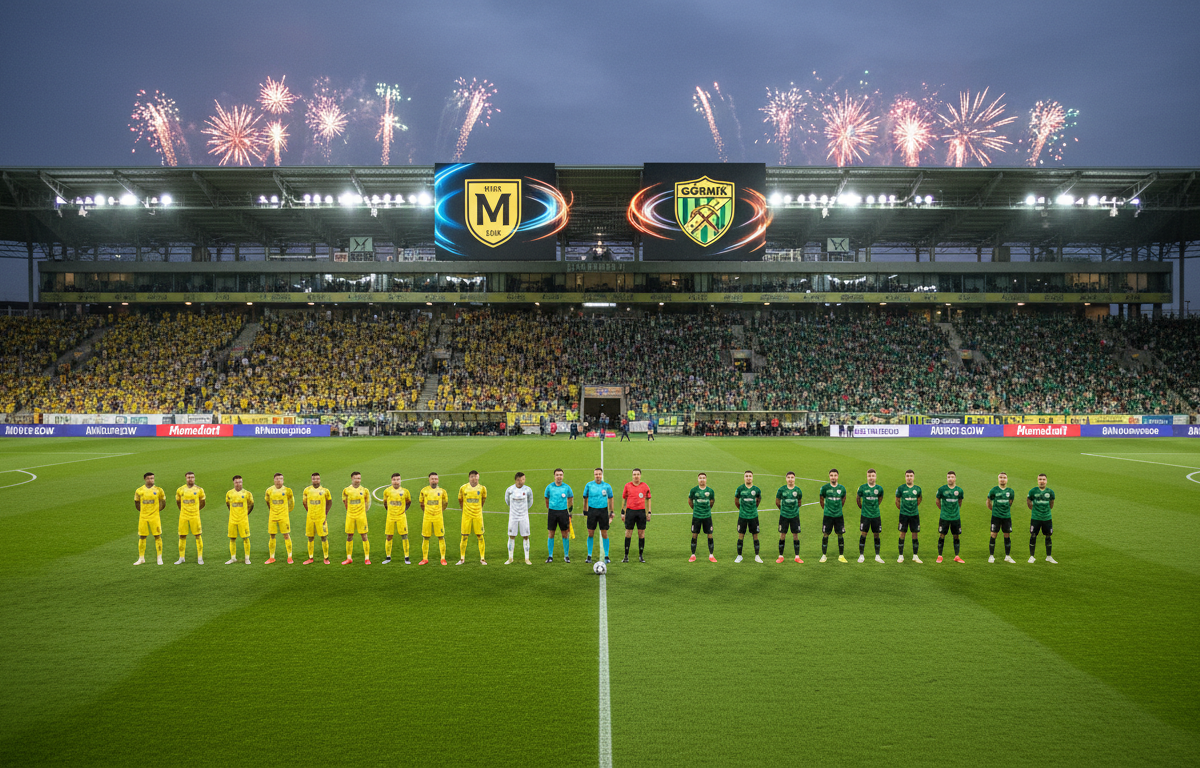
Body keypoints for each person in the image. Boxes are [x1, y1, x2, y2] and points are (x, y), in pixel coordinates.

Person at [582, 467, 614, 564]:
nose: (598, 476)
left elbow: (611, 499)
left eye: (599, 474)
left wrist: (611, 512)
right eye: (596, 474)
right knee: (590, 533)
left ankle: (607, 555)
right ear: (594, 475)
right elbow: (585, 498)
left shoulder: (607, 486)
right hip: (592, 511)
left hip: (603, 511)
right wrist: (585, 510)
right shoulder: (589, 485)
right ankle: (589, 555)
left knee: (604, 533)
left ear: (602, 475)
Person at [134, 471, 166, 565]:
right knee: (142, 536)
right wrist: (143, 511)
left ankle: (159, 558)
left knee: (157, 536)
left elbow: (163, 502)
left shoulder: (159, 490)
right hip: (143, 517)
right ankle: (141, 558)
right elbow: (136, 503)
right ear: (145, 479)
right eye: (148, 478)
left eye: (152, 478)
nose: (150, 480)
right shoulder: (139, 490)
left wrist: (156, 511)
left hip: (154, 517)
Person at [174, 471, 206, 565]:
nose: (190, 479)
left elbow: (203, 502)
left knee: (198, 535)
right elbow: (178, 502)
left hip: (195, 516)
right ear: (186, 478)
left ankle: (200, 558)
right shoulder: (180, 490)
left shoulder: (199, 490)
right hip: (183, 516)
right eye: (188, 477)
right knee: (182, 535)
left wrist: (196, 510)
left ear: (194, 478)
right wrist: (183, 510)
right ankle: (181, 557)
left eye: (192, 477)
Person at [621, 468, 651, 563]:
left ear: (640, 475)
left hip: (641, 513)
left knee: (641, 534)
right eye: (634, 474)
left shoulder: (645, 486)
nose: (636, 476)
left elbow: (648, 499)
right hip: (630, 512)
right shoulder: (627, 486)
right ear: (632, 476)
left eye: (638, 474)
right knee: (628, 533)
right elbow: (624, 499)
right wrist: (623, 512)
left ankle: (641, 556)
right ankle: (626, 556)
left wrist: (649, 512)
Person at [418, 472, 449, 565]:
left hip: (438, 517)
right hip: (427, 517)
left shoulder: (442, 491)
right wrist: (427, 512)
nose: (434, 480)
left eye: (435, 478)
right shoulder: (424, 491)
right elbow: (421, 503)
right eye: (432, 479)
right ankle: (425, 558)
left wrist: (439, 511)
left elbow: (445, 503)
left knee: (441, 536)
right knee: (426, 537)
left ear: (438, 480)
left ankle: (443, 558)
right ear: (429, 480)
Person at [457, 470, 487, 566]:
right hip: (466, 516)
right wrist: (464, 510)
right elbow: (460, 500)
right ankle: (462, 559)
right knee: (464, 536)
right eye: (472, 476)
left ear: (478, 477)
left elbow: (483, 500)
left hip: (478, 516)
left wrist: (478, 509)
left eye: (475, 476)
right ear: (469, 478)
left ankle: (482, 559)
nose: (474, 478)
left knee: (480, 536)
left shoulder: (482, 488)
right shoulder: (463, 488)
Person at [935, 471, 966, 564]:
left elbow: (960, 502)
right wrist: (943, 510)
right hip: (944, 517)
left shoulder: (959, 490)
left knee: (956, 536)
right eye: (948, 477)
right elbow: (937, 501)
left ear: (955, 478)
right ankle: (940, 556)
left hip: (955, 517)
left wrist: (955, 510)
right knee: (942, 535)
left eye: (952, 477)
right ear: (947, 478)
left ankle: (957, 556)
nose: (950, 479)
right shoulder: (941, 489)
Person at [264, 473, 295, 565]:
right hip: (273, 516)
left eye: (281, 479)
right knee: (272, 535)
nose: (279, 480)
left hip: (283, 517)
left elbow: (291, 503)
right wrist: (272, 511)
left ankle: (289, 557)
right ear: (274, 480)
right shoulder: (269, 490)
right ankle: (271, 557)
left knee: (286, 535)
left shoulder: (287, 490)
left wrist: (287, 512)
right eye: (277, 479)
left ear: (283, 480)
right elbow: (267, 501)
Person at [544, 468, 574, 563]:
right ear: (554, 476)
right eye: (557, 475)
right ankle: (550, 556)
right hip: (552, 512)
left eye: (560, 475)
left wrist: (570, 511)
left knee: (565, 534)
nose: (559, 477)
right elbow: (546, 498)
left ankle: (566, 556)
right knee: (551, 534)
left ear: (563, 476)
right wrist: (550, 508)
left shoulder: (566, 487)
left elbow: (570, 498)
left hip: (563, 512)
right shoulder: (549, 487)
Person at [819, 469, 848, 563]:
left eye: (835, 475)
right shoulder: (824, 488)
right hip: (828, 515)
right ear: (829, 476)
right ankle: (824, 555)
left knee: (840, 534)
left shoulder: (842, 488)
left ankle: (841, 556)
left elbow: (843, 499)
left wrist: (838, 508)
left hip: (838, 515)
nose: (833, 477)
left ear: (837, 476)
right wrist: (826, 509)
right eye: (831, 475)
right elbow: (821, 499)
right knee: (825, 534)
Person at [302, 472, 332, 565]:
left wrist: (325, 514)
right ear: (312, 479)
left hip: (321, 518)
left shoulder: (325, 491)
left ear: (320, 479)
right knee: (310, 537)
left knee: (323, 537)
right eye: (314, 479)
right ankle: (310, 558)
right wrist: (309, 511)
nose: (316, 480)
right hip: (310, 518)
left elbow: (329, 502)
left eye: (317, 479)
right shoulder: (307, 490)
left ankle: (326, 558)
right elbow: (304, 503)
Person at [342, 471, 372, 565]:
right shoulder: (346, 490)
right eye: (356, 478)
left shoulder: (364, 490)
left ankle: (367, 558)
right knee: (349, 536)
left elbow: (367, 503)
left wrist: (363, 512)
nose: (358, 480)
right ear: (352, 479)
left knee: (364, 536)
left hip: (361, 516)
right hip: (350, 516)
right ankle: (349, 558)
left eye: (359, 478)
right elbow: (345, 502)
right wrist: (350, 511)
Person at [857, 469, 886, 564]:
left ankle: (877, 556)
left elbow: (880, 499)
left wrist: (875, 507)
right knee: (863, 534)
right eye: (869, 476)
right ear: (867, 476)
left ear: (875, 477)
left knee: (876, 534)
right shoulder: (862, 488)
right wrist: (862, 507)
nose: (871, 477)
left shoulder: (879, 488)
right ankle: (861, 555)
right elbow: (858, 499)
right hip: (865, 515)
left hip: (876, 515)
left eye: (873, 476)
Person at [987, 472, 1017, 563]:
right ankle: (991, 556)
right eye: (1000, 477)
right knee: (993, 535)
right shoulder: (994, 490)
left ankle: (1007, 556)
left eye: (1004, 477)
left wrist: (1005, 510)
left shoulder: (1010, 491)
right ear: (998, 479)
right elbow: (989, 501)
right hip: (996, 516)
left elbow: (1010, 503)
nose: (1002, 479)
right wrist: (994, 510)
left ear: (1007, 479)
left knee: (1007, 535)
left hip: (1006, 517)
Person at [505, 472, 534, 565]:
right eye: (520, 479)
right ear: (516, 480)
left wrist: (524, 510)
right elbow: (507, 501)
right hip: (513, 516)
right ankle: (510, 558)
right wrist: (514, 509)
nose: (522, 481)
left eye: (523, 479)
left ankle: (527, 558)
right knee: (511, 536)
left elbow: (530, 501)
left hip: (524, 516)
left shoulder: (528, 490)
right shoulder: (510, 490)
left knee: (525, 536)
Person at [734, 470, 763, 563]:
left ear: (752, 477)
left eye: (750, 476)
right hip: (742, 516)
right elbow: (736, 501)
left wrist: (753, 509)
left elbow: (758, 501)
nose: (748, 478)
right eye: (746, 476)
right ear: (744, 477)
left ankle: (757, 556)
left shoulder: (757, 490)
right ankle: (739, 556)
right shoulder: (740, 489)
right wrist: (742, 509)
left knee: (755, 536)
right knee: (741, 535)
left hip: (753, 516)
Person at [1027, 473, 1057, 564]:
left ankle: (1049, 556)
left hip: (1047, 518)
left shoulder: (1050, 492)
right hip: (1035, 518)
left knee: (1048, 536)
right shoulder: (1033, 491)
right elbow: (1028, 501)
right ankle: (1032, 556)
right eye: (1040, 479)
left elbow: (1051, 503)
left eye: (1043, 479)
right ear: (1037, 480)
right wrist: (1034, 510)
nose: (1042, 481)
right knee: (1033, 535)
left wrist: (1046, 511)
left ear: (1046, 481)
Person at [688, 472, 717, 562]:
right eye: (700, 478)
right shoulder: (694, 490)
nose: (702, 480)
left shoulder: (710, 491)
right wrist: (695, 509)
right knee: (694, 534)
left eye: (704, 478)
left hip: (707, 516)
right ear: (698, 479)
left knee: (710, 534)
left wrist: (707, 509)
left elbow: (712, 502)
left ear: (706, 479)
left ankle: (711, 555)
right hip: (696, 516)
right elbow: (690, 501)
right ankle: (693, 555)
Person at [775, 471, 803, 564]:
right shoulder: (781, 490)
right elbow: (777, 502)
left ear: (794, 479)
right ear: (786, 479)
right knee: (782, 535)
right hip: (784, 516)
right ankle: (780, 556)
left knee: (795, 535)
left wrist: (794, 510)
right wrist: (783, 510)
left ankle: (797, 556)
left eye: (792, 477)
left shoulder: (798, 490)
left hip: (794, 516)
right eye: (789, 477)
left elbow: (799, 502)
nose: (790, 479)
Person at [383, 473, 412, 564]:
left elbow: (408, 502)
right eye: (394, 480)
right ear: (391, 481)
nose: (396, 481)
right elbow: (385, 503)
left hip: (401, 517)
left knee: (404, 536)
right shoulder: (387, 491)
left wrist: (403, 510)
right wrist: (390, 511)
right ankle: (388, 557)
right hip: (390, 517)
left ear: (400, 480)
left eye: (398, 479)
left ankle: (406, 557)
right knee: (389, 536)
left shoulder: (405, 491)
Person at [225, 475, 254, 565]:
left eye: (240, 482)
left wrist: (245, 514)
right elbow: (228, 504)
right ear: (234, 483)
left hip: (243, 520)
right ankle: (233, 558)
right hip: (232, 520)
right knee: (232, 538)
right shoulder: (229, 493)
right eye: (237, 482)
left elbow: (251, 505)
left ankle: (247, 558)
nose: (238, 484)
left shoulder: (247, 493)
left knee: (245, 538)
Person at [896, 470, 923, 563]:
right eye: (907, 476)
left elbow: (919, 499)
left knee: (915, 534)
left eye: (911, 476)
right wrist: (903, 509)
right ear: (905, 477)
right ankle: (900, 556)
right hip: (904, 515)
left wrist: (913, 508)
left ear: (913, 477)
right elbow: (897, 501)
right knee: (902, 533)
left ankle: (915, 556)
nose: (909, 477)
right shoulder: (901, 488)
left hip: (914, 515)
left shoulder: (918, 489)